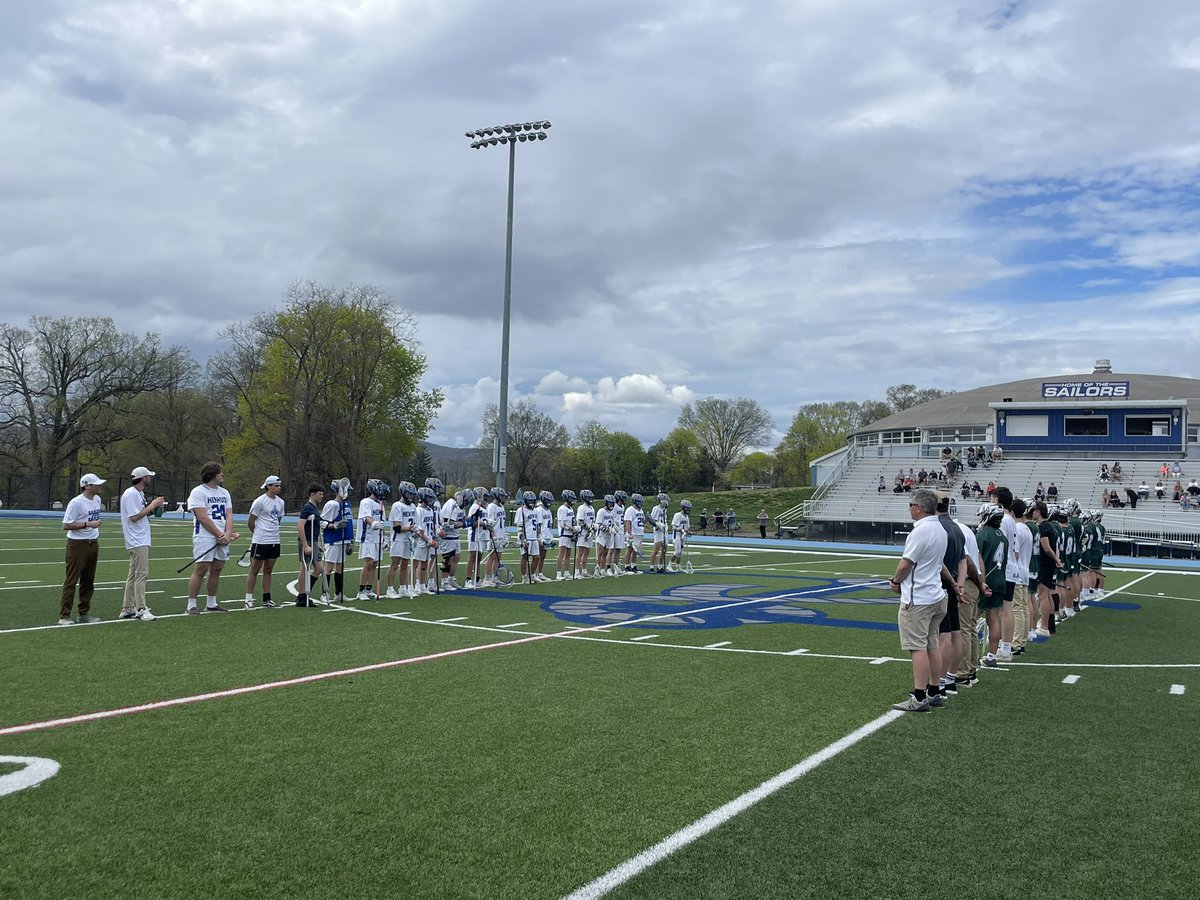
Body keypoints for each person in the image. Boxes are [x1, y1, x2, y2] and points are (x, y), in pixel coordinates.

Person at [888, 489, 951, 712]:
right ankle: (934, 690)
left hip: (919, 598)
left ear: (919, 508)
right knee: (932, 643)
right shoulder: (940, 529)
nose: (909, 509)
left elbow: (906, 563)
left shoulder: (921, 531)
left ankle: (919, 695)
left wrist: (896, 581)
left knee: (917, 647)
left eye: (911, 505)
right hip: (935, 594)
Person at [185, 462, 237, 614]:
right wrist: (220, 534)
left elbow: (229, 514)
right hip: (205, 535)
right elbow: (202, 517)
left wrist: (228, 533)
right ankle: (191, 605)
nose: (222, 475)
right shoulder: (198, 492)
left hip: (222, 535)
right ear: (213, 474)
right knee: (201, 569)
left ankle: (211, 603)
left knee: (217, 569)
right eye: (220, 472)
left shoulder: (224, 492)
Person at [60, 473, 107, 625]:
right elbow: (66, 525)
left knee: (88, 580)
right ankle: (64, 615)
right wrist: (87, 524)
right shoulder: (76, 502)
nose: (100, 486)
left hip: (93, 542)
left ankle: (84, 613)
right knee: (72, 580)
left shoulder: (97, 500)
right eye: (96, 484)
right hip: (77, 544)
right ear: (87, 486)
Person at [119, 466, 164, 621]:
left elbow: (142, 514)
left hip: (139, 537)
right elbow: (134, 517)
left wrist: (153, 508)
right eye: (148, 476)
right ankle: (141, 608)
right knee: (141, 574)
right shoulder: (131, 494)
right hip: (137, 539)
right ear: (143, 478)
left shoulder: (139, 494)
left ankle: (128, 607)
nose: (150, 479)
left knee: (133, 574)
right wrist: (151, 506)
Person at [244, 475, 285, 609]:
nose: (279, 488)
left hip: (274, 540)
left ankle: (266, 599)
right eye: (276, 485)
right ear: (268, 486)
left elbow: (278, 520)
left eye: (279, 485)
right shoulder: (259, 501)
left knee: (268, 570)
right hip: (261, 540)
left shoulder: (280, 502)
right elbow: (250, 522)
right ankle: (248, 599)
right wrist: (258, 534)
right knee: (254, 569)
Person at [322, 478, 355, 603]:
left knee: (340, 568)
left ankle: (339, 593)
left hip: (344, 540)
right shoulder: (332, 504)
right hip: (333, 540)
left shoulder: (347, 504)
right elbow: (321, 522)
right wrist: (334, 526)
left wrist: (350, 541)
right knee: (329, 568)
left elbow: (350, 523)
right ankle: (324, 593)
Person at [356, 479, 389, 600]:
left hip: (377, 538)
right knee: (368, 563)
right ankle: (361, 591)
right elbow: (366, 517)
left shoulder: (381, 504)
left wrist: (385, 537)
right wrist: (373, 523)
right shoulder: (366, 502)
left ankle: (369, 589)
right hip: (368, 537)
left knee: (375, 564)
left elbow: (382, 522)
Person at [295, 483, 325, 607]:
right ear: (312, 494)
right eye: (320, 494)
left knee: (319, 569)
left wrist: (316, 544)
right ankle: (302, 596)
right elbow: (300, 525)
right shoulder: (308, 508)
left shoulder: (314, 508)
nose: (322, 497)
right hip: (307, 541)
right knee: (305, 567)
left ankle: (304, 593)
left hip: (313, 541)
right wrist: (306, 545)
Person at [556, 490, 577, 580]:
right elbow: (562, 524)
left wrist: (575, 528)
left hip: (570, 534)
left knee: (568, 554)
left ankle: (567, 572)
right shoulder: (562, 509)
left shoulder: (571, 509)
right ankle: (558, 573)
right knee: (562, 553)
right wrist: (571, 528)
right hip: (564, 534)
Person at [623, 493, 646, 573]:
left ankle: (633, 565)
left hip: (639, 532)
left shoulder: (641, 510)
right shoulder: (630, 509)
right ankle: (626, 566)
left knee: (636, 551)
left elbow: (642, 521)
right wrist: (629, 533)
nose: (640, 503)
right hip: (633, 533)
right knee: (629, 549)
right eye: (639, 502)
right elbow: (628, 522)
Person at [668, 500, 692, 572]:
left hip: (683, 535)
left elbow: (687, 527)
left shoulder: (686, 516)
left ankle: (678, 566)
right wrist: (681, 530)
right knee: (677, 551)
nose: (688, 510)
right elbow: (673, 527)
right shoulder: (677, 515)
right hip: (677, 535)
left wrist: (688, 532)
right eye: (686, 508)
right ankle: (669, 565)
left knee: (680, 552)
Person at [649, 493, 669, 574]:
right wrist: (658, 525)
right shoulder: (656, 508)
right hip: (658, 530)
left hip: (664, 530)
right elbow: (651, 520)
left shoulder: (665, 509)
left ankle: (660, 566)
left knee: (664, 549)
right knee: (656, 549)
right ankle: (651, 567)